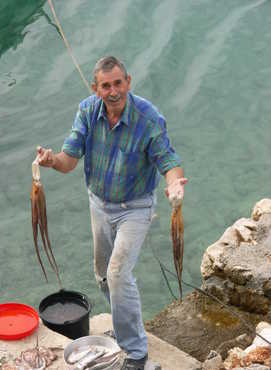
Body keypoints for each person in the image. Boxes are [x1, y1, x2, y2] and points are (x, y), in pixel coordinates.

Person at [37, 56, 187, 370]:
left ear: (128, 82)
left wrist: (174, 185)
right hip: (99, 204)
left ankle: (136, 354)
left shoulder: (148, 118)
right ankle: (123, 327)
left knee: (118, 274)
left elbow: (169, 162)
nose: (113, 90)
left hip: (136, 206)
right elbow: (69, 160)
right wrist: (51, 161)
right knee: (103, 276)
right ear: (96, 89)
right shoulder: (88, 111)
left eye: (118, 83)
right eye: (106, 86)